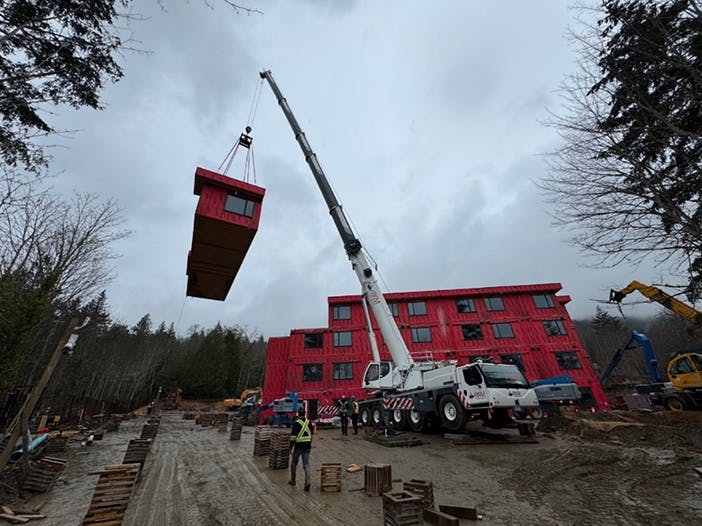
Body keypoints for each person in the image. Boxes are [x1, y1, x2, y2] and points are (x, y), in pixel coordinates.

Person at [289, 406, 312, 491]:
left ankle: (293, 480)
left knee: (294, 463)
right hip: (307, 446)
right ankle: (307, 481)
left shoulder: (296, 423)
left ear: (298, 414)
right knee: (306, 464)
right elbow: (311, 435)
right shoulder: (309, 422)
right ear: (305, 414)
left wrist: (290, 447)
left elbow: (293, 437)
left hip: (298, 446)